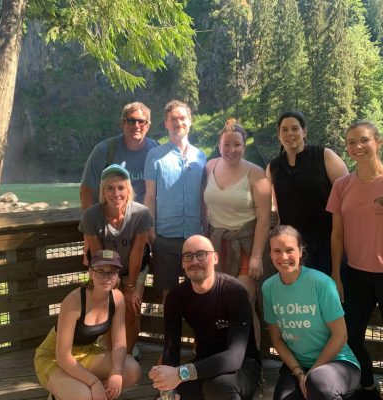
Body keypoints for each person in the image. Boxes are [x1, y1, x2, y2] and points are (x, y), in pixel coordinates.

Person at [149, 235, 261, 400]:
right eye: (188, 256)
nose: (194, 261)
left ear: (215, 258)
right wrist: (167, 388)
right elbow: (170, 350)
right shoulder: (176, 297)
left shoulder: (234, 292)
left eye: (201, 254)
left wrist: (181, 373)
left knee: (219, 387)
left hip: (242, 366)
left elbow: (234, 357)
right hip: (204, 363)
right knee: (169, 394)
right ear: (182, 262)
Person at [262, 225, 360, 400]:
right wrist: (299, 373)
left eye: (289, 250)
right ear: (270, 254)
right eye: (277, 251)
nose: (283, 257)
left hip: (338, 362)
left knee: (318, 385)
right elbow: (276, 338)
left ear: (300, 251)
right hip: (298, 365)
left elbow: (340, 335)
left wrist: (312, 373)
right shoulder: (269, 287)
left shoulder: (320, 283)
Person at [34, 249, 141, 400]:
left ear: (118, 274)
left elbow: (119, 344)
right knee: (84, 395)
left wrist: (116, 371)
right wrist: (94, 382)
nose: (107, 278)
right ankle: (60, 394)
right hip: (54, 358)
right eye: (100, 272)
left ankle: (76, 391)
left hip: (87, 353)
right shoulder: (74, 301)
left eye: (112, 272)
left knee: (132, 370)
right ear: (91, 272)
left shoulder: (117, 298)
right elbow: (63, 356)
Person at [327, 120, 383, 400]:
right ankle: (369, 387)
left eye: (363, 140)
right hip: (354, 274)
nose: (356, 147)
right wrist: (336, 275)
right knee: (351, 336)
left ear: (378, 142)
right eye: (350, 142)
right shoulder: (342, 185)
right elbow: (337, 235)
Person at [204, 118, 271, 349]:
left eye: (237, 145)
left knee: (244, 301)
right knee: (218, 301)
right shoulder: (210, 166)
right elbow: (206, 206)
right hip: (216, 244)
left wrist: (256, 256)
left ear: (244, 146)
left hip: (246, 244)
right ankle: (223, 353)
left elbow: (264, 218)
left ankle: (251, 360)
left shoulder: (256, 173)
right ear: (219, 145)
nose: (231, 150)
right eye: (227, 145)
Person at [79, 163, 152, 356]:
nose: (116, 193)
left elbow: (137, 253)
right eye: (109, 188)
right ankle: (112, 355)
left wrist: (129, 289)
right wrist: (113, 284)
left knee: (132, 309)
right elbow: (99, 254)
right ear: (102, 191)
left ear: (128, 189)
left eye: (121, 187)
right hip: (105, 268)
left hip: (134, 267)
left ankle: (127, 354)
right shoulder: (91, 216)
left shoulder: (141, 214)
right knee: (109, 310)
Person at [266, 111, 348, 274]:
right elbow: (275, 207)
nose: (290, 134)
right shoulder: (273, 167)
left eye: (295, 128)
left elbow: (347, 196)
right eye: (284, 129)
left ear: (304, 131)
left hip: (329, 240)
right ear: (279, 135)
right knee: (302, 297)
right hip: (293, 247)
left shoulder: (324, 156)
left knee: (333, 292)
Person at [144, 100, 207, 303]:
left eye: (182, 118)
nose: (178, 122)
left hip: (195, 235)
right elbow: (149, 196)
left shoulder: (200, 156)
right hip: (165, 237)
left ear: (190, 122)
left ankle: (199, 336)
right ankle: (171, 335)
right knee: (168, 295)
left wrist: (205, 226)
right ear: (166, 123)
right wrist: (151, 233)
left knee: (199, 290)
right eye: (173, 119)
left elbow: (204, 194)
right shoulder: (154, 156)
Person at [80, 101, 158, 209]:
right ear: (122, 123)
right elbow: (86, 190)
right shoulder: (104, 151)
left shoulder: (156, 151)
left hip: (143, 221)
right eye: (131, 121)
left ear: (148, 125)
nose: (136, 126)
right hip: (109, 220)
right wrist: (89, 222)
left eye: (141, 121)